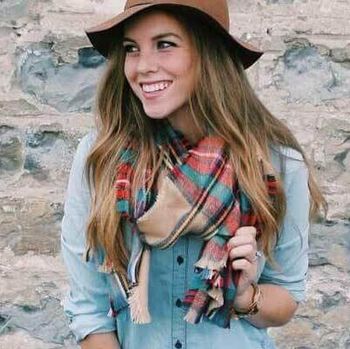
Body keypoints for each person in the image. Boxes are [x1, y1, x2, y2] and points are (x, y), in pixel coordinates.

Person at [60, 1, 326, 348]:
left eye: (165, 44)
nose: (143, 66)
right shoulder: (102, 158)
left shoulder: (276, 163)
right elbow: (89, 311)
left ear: (208, 53)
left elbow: (286, 296)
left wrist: (244, 295)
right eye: (131, 49)